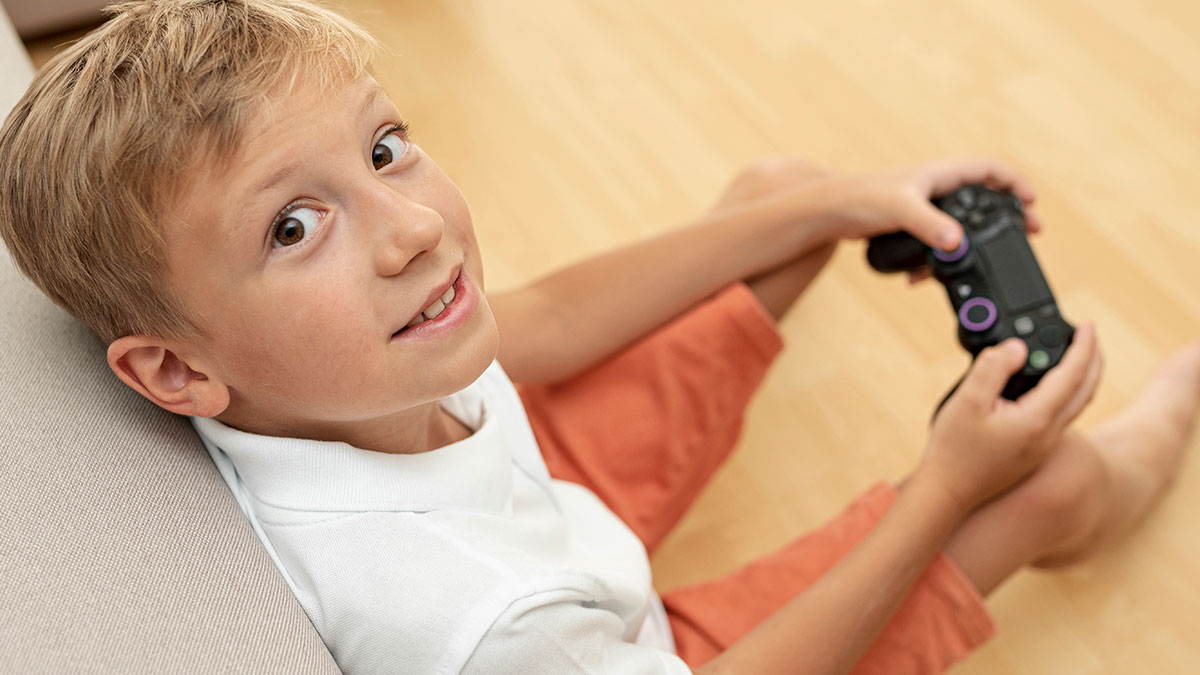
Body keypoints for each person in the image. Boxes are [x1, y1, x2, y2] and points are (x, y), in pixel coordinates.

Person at [1, 1, 1196, 673]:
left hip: (509, 488)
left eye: (382, 150)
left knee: (783, 196)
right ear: (176, 371)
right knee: (1051, 481)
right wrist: (945, 485)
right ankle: (1154, 440)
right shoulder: (482, 628)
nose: (414, 229)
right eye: (296, 226)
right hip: (634, 646)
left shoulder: (345, 370)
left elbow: (552, 323)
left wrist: (843, 201)